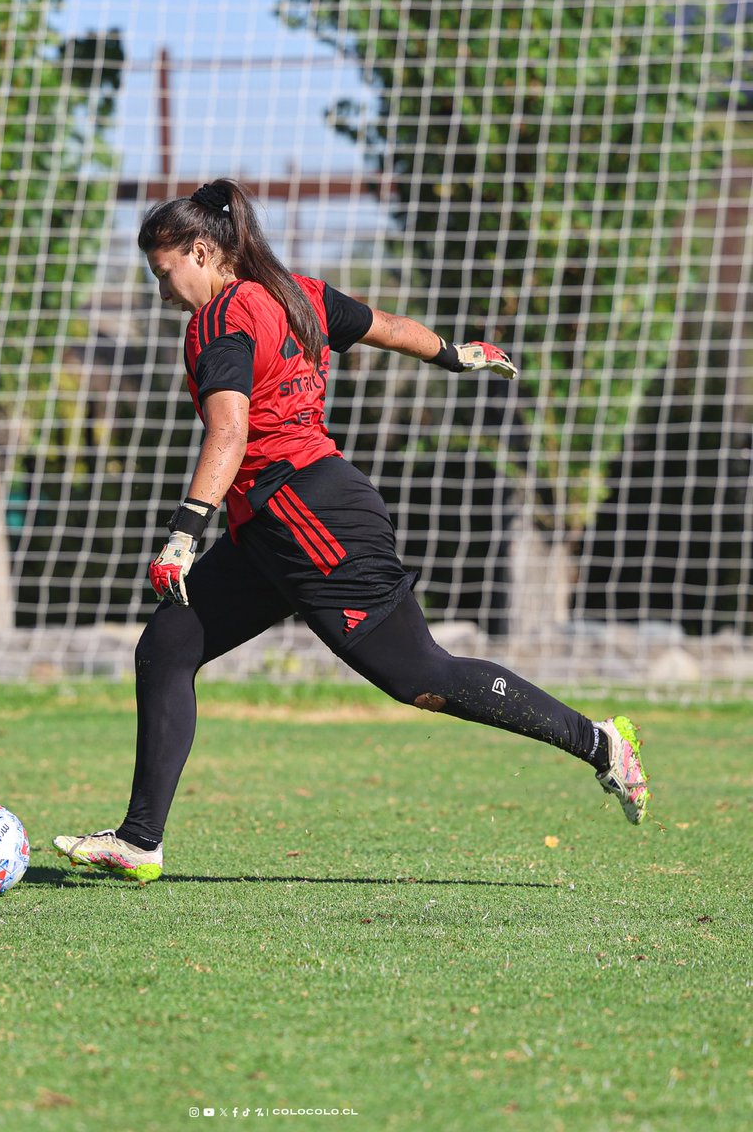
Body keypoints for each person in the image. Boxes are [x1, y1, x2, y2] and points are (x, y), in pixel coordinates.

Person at [53, 178, 650, 883]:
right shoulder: (297, 293)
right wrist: (455, 354)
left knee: (419, 674)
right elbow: (388, 327)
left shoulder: (220, 320)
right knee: (166, 647)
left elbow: (229, 430)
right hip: (275, 524)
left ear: (203, 252)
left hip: (309, 519)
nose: (163, 293)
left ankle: (599, 744)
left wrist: (184, 534)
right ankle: (140, 840)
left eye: (164, 273)